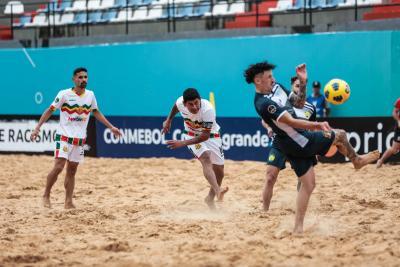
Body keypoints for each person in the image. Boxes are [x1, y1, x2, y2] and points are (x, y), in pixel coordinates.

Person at [244, 61, 380, 233]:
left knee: (308, 184)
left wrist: (303, 82)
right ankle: (357, 160)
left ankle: (298, 227)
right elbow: (291, 122)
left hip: (292, 143)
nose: (273, 79)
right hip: (298, 140)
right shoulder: (262, 103)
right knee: (340, 134)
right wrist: (317, 125)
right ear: (258, 80)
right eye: (269, 76)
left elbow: (298, 103)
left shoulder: (277, 88)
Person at [30, 67, 121, 209]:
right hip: (64, 137)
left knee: (72, 170)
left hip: (79, 140)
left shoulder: (90, 95)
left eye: (85, 77)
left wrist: (111, 127)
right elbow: (49, 111)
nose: (83, 80)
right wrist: (37, 128)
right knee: (59, 167)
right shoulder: (64, 94)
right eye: (80, 77)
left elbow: (96, 112)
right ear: (73, 79)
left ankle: (68, 201)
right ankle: (46, 194)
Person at [162, 88, 228, 210]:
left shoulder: (208, 109)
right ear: (185, 103)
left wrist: (182, 143)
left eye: (196, 102)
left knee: (220, 172)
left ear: (200, 99)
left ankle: (209, 198)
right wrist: (169, 119)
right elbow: (175, 107)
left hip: (211, 135)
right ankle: (218, 191)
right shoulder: (180, 103)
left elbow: (205, 136)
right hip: (191, 134)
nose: (195, 107)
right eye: (191, 104)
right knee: (205, 158)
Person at [261, 76, 317, 211]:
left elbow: (311, 129)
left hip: (300, 144)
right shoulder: (280, 100)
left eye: (301, 86)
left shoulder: (310, 108)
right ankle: (264, 211)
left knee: (302, 180)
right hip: (280, 142)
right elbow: (264, 119)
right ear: (292, 86)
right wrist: (269, 128)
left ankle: (299, 208)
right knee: (270, 177)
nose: (299, 89)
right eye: (296, 86)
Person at [376, 97, 400, 168]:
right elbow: (394, 112)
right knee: (394, 149)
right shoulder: (399, 101)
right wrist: (399, 121)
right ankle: (380, 161)